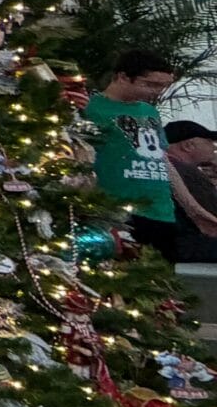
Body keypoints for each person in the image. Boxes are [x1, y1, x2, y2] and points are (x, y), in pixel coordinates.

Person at [85, 50, 202, 259]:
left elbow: (162, 159)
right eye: (150, 84)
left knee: (162, 282)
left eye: (162, 86)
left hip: (161, 210)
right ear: (122, 77)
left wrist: (193, 208)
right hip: (118, 209)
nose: (156, 92)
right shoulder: (92, 109)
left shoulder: (149, 112)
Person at [160, 118, 217, 261]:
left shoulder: (161, 169)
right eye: (209, 141)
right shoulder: (187, 173)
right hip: (190, 244)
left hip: (171, 243)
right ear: (188, 145)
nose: (214, 147)